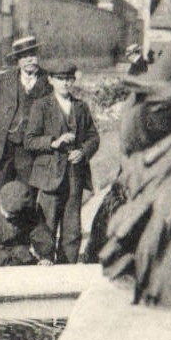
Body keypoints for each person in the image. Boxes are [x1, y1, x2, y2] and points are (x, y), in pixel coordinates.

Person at [22, 62, 100, 263]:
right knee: (47, 221)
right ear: (50, 80)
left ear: (73, 80)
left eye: (69, 79)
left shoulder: (80, 106)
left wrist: (83, 152)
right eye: (60, 79)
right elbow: (29, 140)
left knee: (72, 225)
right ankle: (45, 260)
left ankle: (68, 265)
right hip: (49, 175)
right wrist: (53, 142)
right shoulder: (41, 105)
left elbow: (93, 137)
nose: (65, 83)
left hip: (75, 174)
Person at [0, 36, 51, 198]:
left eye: (32, 55)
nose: (29, 60)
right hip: (3, 148)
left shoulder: (48, 81)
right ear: (18, 60)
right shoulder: (4, 80)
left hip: (30, 150)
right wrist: (1, 128)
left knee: (25, 196)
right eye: (24, 56)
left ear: (38, 56)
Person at [0, 179, 54, 267]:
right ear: (0, 201)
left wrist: (45, 257)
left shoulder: (29, 216)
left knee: (22, 253)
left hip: (21, 255)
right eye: (6, 211)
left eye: (13, 215)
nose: (8, 216)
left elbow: (41, 235)